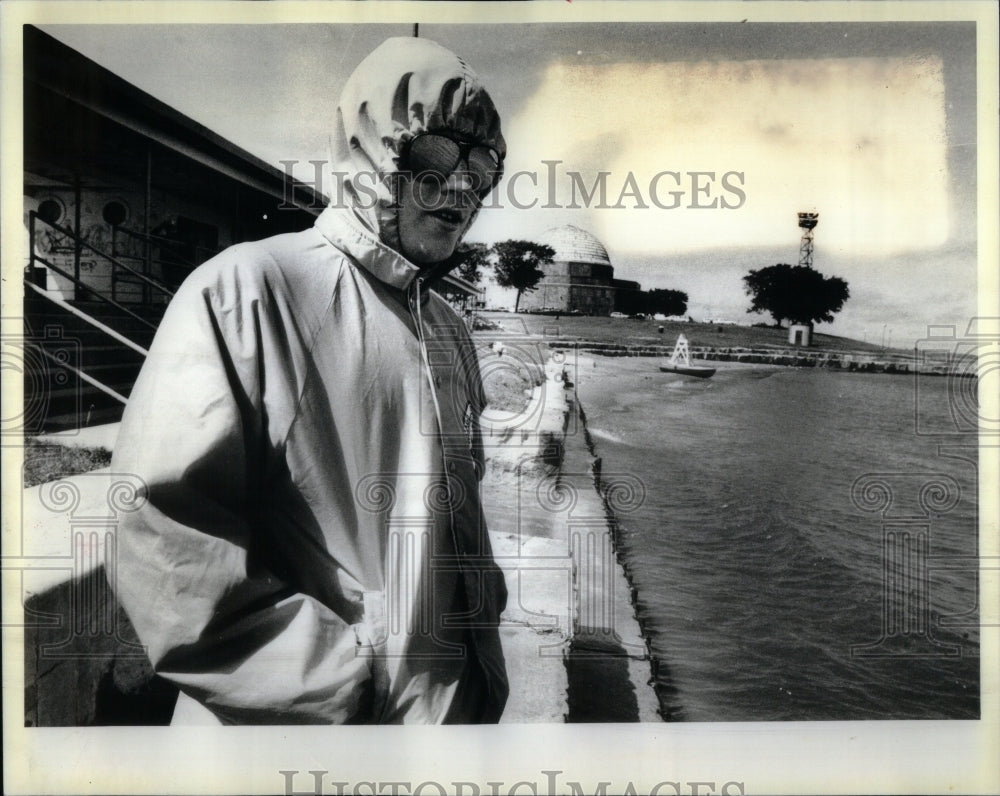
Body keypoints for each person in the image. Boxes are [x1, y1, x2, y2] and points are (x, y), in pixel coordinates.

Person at [110, 37, 509, 725]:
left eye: (483, 165)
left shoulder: (449, 329)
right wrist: (356, 686)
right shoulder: (246, 291)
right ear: (375, 153)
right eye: (441, 157)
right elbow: (165, 542)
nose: (465, 187)